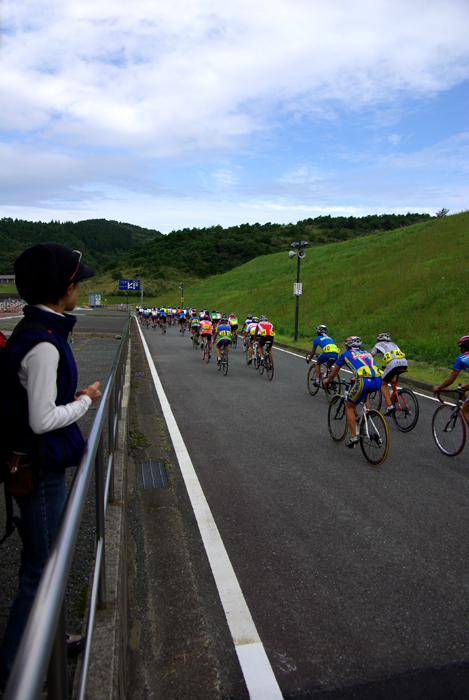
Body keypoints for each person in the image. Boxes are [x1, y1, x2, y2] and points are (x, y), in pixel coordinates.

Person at [0, 243, 102, 687]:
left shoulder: (40, 329)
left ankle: (47, 645)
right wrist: (84, 400)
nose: (79, 288)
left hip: (37, 465)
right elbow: (42, 419)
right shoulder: (43, 344)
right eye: (77, 281)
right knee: (41, 568)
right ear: (65, 288)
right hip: (39, 471)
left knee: (44, 565)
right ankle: (14, 672)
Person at [324, 336, 383, 448]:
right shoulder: (367, 353)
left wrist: (327, 380)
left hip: (362, 381)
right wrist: (355, 378)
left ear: (347, 346)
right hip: (377, 380)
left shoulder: (345, 355)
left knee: (350, 406)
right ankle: (367, 411)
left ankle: (354, 436)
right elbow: (369, 368)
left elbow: (333, 374)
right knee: (365, 394)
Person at [433, 335, 469, 427]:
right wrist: (466, 385)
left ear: (463, 348)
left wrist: (439, 387)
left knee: (465, 410)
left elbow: (450, 380)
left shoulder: (461, 359)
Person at [370, 333, 408, 415]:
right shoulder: (394, 344)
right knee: (391, 376)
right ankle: (395, 395)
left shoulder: (378, 345)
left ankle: (390, 406)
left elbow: (370, 358)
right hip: (404, 362)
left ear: (378, 339)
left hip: (393, 364)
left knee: (382, 384)